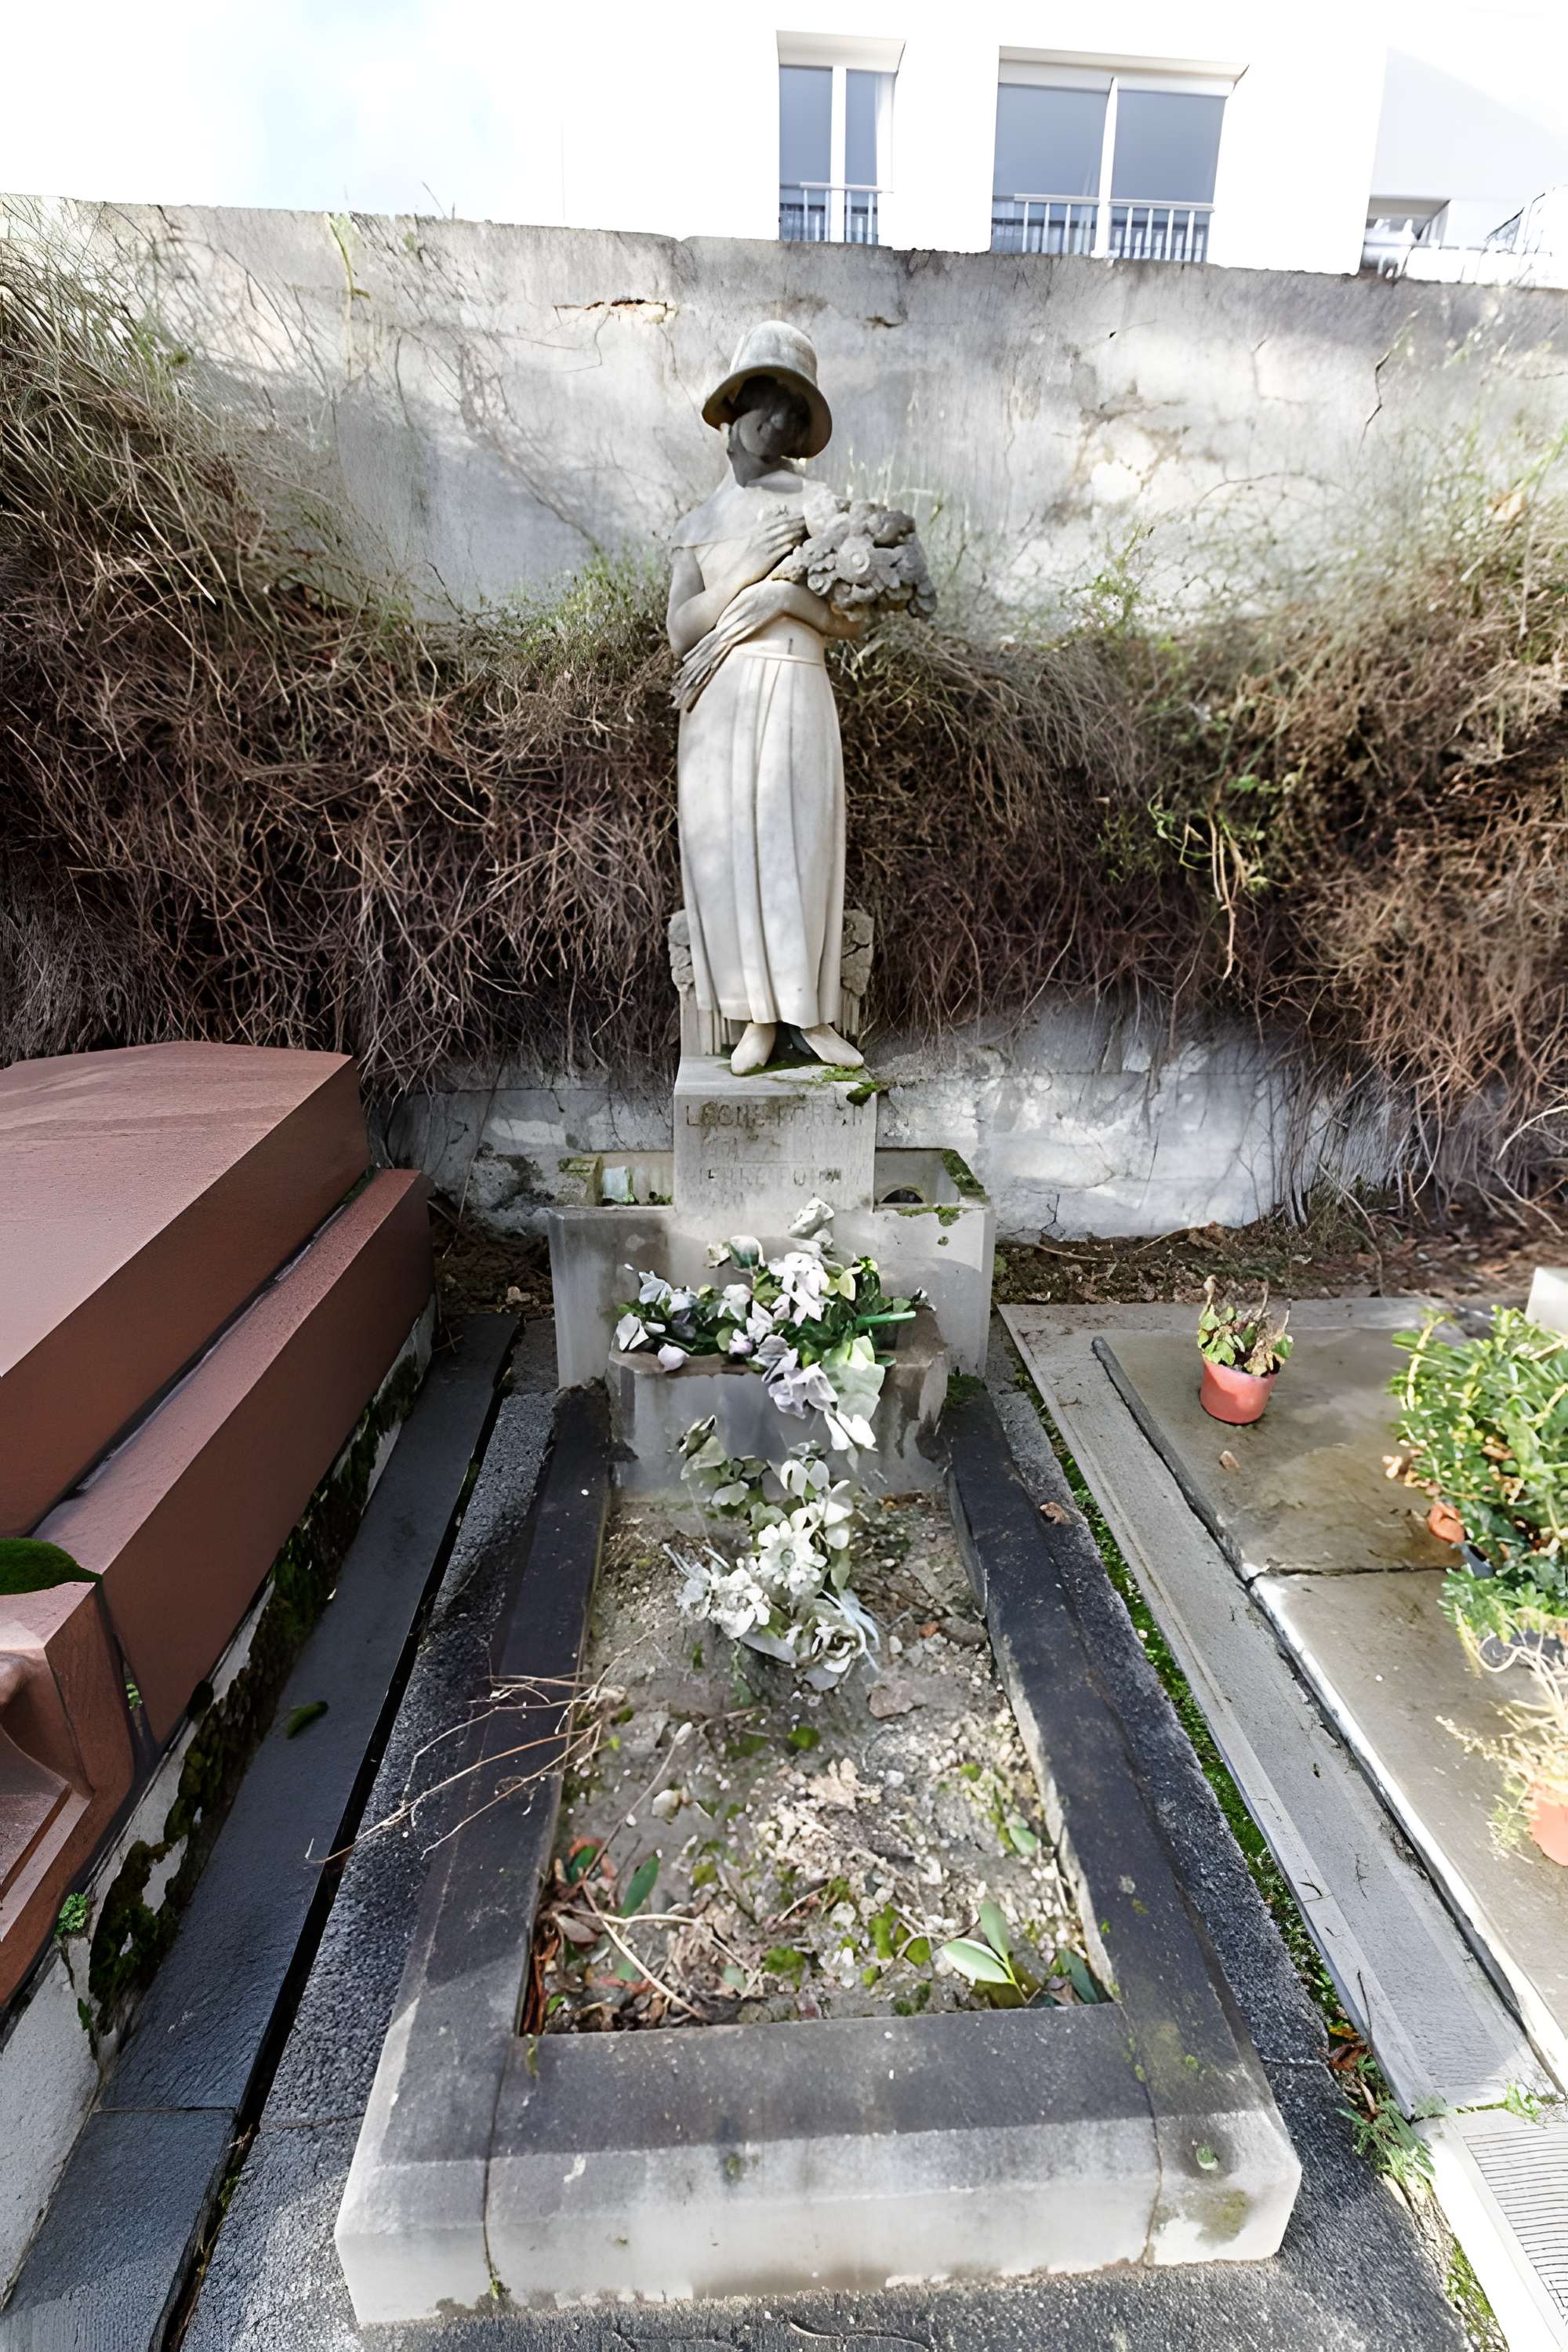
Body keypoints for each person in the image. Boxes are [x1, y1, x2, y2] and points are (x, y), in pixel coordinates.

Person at [667, 320, 862, 1077]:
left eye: (794, 410)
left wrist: (783, 595)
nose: (777, 423)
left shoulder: (820, 507)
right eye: (768, 401)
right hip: (717, 701)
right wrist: (744, 567)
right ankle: (752, 1015)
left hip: (794, 688)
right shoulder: (697, 525)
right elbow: (682, 629)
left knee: (798, 846)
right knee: (730, 853)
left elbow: (848, 617)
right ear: (735, 403)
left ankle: (809, 1016)